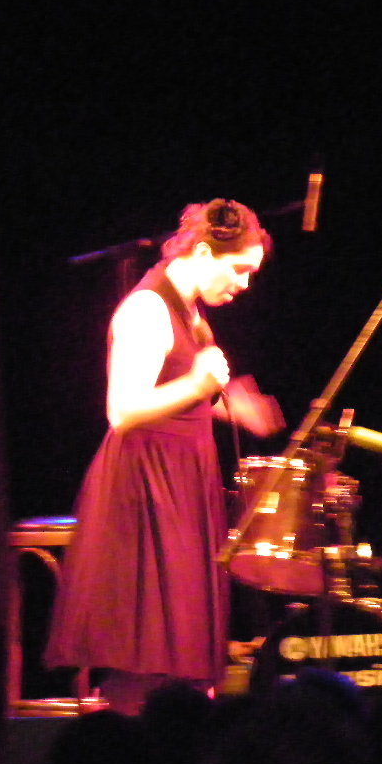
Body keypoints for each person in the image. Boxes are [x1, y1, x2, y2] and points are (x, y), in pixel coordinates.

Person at [44, 198, 283, 715]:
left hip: (179, 480)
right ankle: (131, 740)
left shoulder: (188, 309)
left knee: (181, 650)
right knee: (147, 650)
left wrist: (227, 407)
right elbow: (123, 410)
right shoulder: (147, 309)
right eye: (239, 269)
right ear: (204, 252)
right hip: (146, 487)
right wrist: (198, 384)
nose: (244, 284)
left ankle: (177, 738)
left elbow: (173, 389)